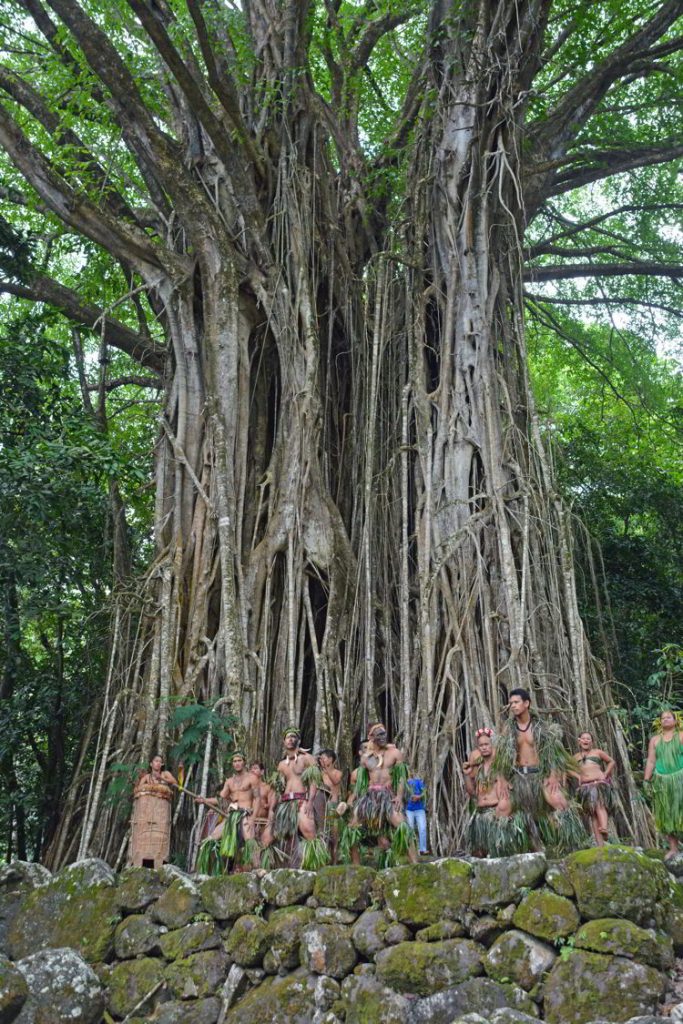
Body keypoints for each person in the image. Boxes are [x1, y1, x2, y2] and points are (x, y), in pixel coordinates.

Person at [492, 688, 586, 853]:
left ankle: (572, 847)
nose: (512, 706)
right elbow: (500, 757)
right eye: (511, 703)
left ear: (526, 703)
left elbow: (554, 754)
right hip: (519, 778)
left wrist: (553, 775)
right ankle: (504, 851)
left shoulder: (541, 727)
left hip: (539, 776)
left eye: (516, 702)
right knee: (502, 808)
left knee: (560, 802)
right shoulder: (508, 729)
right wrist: (502, 779)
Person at [346, 722, 417, 866]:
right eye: (379, 734)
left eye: (384, 733)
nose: (383, 736)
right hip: (370, 798)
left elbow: (402, 777)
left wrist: (399, 796)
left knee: (403, 827)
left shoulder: (395, 753)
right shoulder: (366, 758)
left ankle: (416, 866)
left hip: (388, 797)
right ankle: (356, 867)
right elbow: (361, 782)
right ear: (371, 736)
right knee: (351, 829)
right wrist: (355, 801)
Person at [263, 727, 328, 870]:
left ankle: (317, 869)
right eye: (288, 737)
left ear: (298, 741)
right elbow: (276, 789)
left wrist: (310, 802)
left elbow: (313, 781)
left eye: (293, 737)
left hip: (301, 801)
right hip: (284, 804)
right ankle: (267, 869)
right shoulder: (281, 764)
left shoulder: (307, 758)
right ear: (284, 741)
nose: (290, 739)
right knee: (267, 837)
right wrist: (272, 810)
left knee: (309, 832)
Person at [462, 728, 524, 857]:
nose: (484, 748)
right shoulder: (477, 769)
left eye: (486, 744)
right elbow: (471, 792)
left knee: (499, 851)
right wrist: (467, 775)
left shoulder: (500, 767)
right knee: (479, 853)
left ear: (492, 745)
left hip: (496, 813)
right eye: (481, 745)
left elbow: (515, 781)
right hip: (481, 816)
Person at [196, 752, 260, 872]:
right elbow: (220, 799)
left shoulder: (252, 778)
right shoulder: (229, 781)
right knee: (212, 838)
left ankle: (258, 869)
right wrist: (204, 800)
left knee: (250, 841)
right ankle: (210, 871)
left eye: (239, 761)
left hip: (245, 814)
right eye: (234, 761)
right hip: (231, 816)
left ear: (244, 762)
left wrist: (253, 818)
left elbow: (257, 799)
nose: (237, 763)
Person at [644, 709, 683, 860]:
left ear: (675, 720)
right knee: (666, 814)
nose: (665, 719)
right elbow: (651, 760)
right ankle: (673, 848)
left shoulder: (680, 735)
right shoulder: (655, 740)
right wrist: (647, 780)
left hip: (680, 777)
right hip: (661, 780)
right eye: (663, 718)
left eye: (669, 717)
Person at [130, 754, 178, 869]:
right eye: (155, 761)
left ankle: (160, 859)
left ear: (162, 764)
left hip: (161, 810)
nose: (157, 763)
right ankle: (138, 858)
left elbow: (174, 783)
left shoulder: (165, 774)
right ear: (151, 764)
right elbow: (138, 789)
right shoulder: (147, 777)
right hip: (146, 810)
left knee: (160, 833)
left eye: (160, 761)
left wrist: (162, 779)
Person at [572, 731, 615, 845]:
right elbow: (567, 768)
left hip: (599, 783)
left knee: (599, 805)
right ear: (579, 741)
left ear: (592, 742)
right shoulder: (576, 757)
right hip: (585, 787)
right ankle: (600, 845)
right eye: (583, 738)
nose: (586, 740)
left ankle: (604, 828)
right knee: (593, 815)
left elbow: (611, 761)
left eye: (588, 739)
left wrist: (606, 773)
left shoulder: (597, 752)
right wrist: (577, 776)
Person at [318, 749, 344, 863]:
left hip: (333, 806)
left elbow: (335, 782)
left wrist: (327, 770)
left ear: (330, 759)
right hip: (322, 807)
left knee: (334, 835)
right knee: (323, 833)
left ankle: (335, 861)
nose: (321, 760)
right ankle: (324, 860)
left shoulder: (338, 772)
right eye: (321, 758)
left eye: (323, 758)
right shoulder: (319, 774)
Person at [250, 760, 277, 842]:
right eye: (251, 769)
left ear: (262, 772)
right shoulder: (246, 788)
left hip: (263, 823)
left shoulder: (267, 788)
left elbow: (272, 808)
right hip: (249, 823)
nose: (252, 770)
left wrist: (269, 825)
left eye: (255, 768)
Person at [405, 771, 428, 855]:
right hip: (408, 809)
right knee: (410, 829)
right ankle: (411, 850)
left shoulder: (418, 781)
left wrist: (419, 796)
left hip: (419, 809)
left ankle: (423, 849)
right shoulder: (403, 782)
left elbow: (424, 791)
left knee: (422, 828)